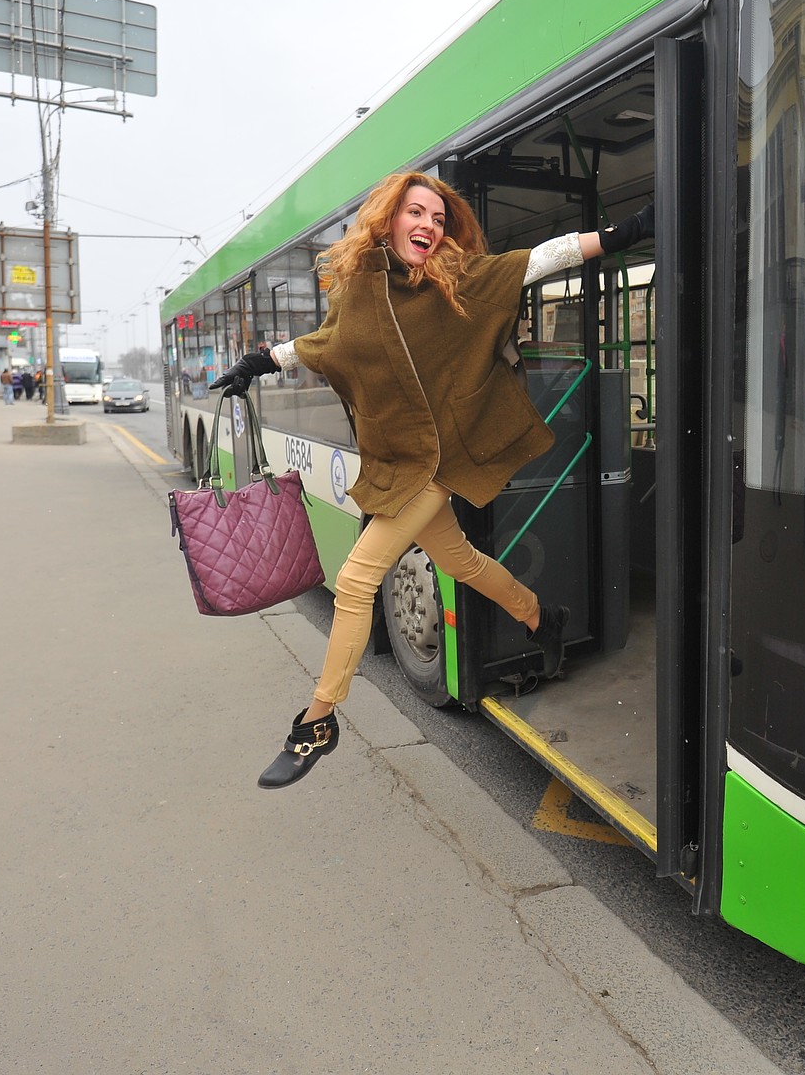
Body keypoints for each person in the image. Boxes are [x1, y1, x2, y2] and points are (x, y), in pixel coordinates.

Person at [211, 171, 655, 789]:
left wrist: (621, 233)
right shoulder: (360, 290)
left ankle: (317, 721)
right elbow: (328, 342)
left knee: (357, 579)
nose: (429, 225)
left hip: (440, 458)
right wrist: (262, 362)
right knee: (462, 561)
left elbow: (538, 260)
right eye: (416, 212)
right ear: (388, 219)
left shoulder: (459, 282)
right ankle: (538, 618)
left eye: (439, 218)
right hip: (397, 458)